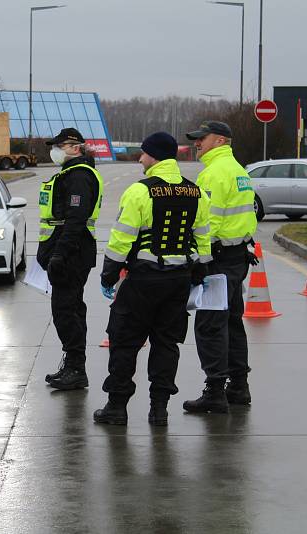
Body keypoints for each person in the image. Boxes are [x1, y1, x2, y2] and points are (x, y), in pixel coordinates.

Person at [94, 132, 211, 426]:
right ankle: (159, 410)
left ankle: (116, 407)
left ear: (155, 156)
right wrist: (199, 272)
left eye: (144, 154)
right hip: (178, 281)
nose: (140, 158)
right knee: (167, 345)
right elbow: (202, 239)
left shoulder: (140, 191)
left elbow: (122, 239)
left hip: (143, 281)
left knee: (124, 342)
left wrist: (108, 274)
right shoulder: (195, 193)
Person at [183, 121, 258, 414]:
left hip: (216, 259)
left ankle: (215, 390)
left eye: (202, 138)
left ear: (219, 140)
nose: (197, 143)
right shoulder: (239, 171)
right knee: (231, 322)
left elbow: (207, 222)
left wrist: (197, 259)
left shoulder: (213, 174)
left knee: (210, 325)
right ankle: (238, 386)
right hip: (237, 256)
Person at [39, 128, 104, 390]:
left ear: (75, 147)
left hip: (73, 253)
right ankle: (73, 365)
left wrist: (60, 253)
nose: (54, 151)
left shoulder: (79, 176)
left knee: (66, 311)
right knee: (70, 308)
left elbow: (75, 219)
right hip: (68, 251)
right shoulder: (70, 173)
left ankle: (76, 368)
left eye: (59, 146)